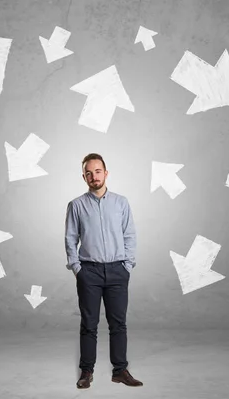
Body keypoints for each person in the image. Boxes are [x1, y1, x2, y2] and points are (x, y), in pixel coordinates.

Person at [64, 153, 144, 389]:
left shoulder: (121, 202)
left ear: (106, 173)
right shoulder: (76, 205)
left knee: (118, 324)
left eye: (97, 171)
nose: (93, 176)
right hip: (89, 272)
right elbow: (70, 239)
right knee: (89, 324)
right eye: (88, 173)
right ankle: (86, 371)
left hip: (118, 271)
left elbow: (130, 235)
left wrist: (127, 266)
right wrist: (77, 268)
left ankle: (120, 371)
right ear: (83, 176)